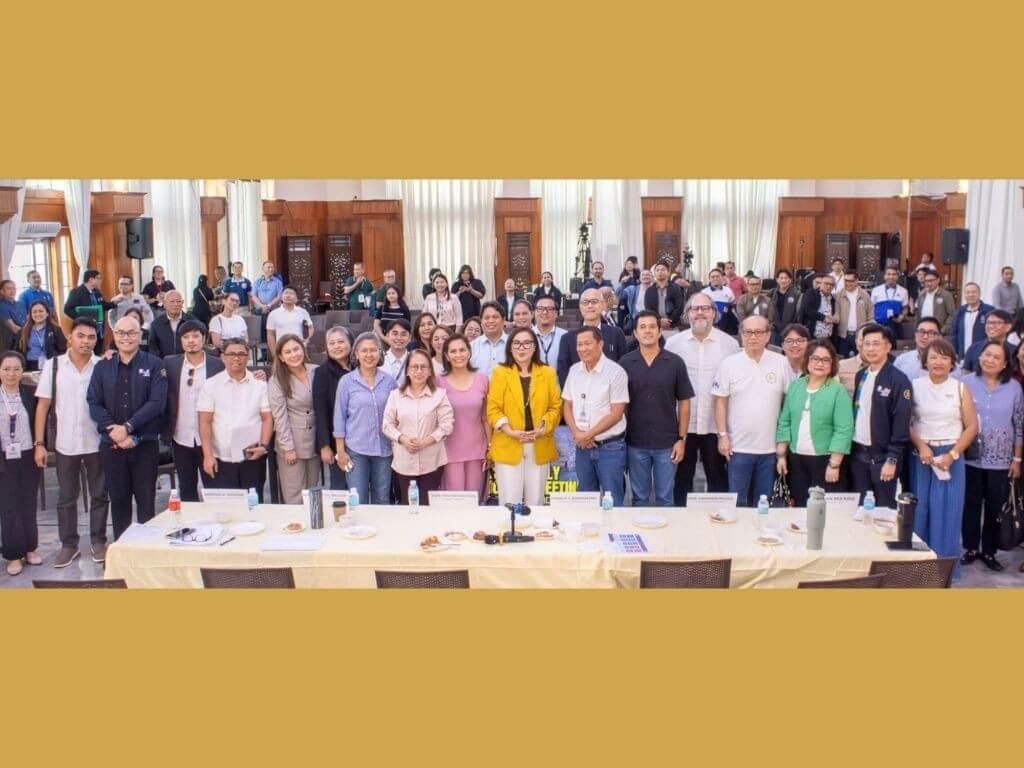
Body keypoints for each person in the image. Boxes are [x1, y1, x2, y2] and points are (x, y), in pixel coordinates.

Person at [34, 318, 109, 567]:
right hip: (65, 443)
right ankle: (68, 545)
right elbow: (43, 406)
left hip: (96, 441)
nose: (86, 341)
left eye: (91, 337)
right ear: (70, 338)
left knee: (99, 495)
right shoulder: (54, 366)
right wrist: (39, 443)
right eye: (80, 336)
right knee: (66, 497)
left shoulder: (102, 366)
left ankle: (98, 541)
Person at [86, 314, 167, 539]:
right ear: (114, 336)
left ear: (140, 335)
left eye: (131, 333)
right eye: (121, 333)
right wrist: (115, 431)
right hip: (112, 446)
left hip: (145, 446)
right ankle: (122, 547)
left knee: (146, 501)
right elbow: (93, 401)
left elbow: (157, 403)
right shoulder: (103, 367)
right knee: (119, 501)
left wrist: (129, 427)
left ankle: (146, 549)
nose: (126, 337)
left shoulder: (154, 364)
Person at [910, 339, 978, 577]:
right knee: (921, 510)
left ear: (952, 363)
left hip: (951, 455)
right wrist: (921, 446)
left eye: (944, 357)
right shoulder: (914, 386)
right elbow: (906, 422)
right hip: (922, 455)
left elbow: (972, 426)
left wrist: (952, 454)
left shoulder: (960, 388)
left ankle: (943, 570)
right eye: (933, 357)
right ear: (925, 361)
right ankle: (918, 566)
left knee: (948, 512)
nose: (938, 362)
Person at [665, 294, 738, 505]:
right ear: (687, 314)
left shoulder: (730, 345)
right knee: (682, 479)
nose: (699, 313)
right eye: (694, 309)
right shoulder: (673, 344)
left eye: (705, 308)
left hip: (716, 426)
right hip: (683, 425)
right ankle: (682, 519)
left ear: (714, 313)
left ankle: (719, 519)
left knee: (717, 478)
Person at [711, 314, 790, 507]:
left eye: (758, 332)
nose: (753, 337)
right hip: (738, 448)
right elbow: (720, 401)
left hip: (770, 449)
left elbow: (788, 403)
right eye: (748, 332)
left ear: (768, 335)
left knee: (763, 504)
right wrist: (722, 435)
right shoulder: (729, 364)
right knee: (737, 503)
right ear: (741, 334)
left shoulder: (781, 362)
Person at [620, 311, 693, 506]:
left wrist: (681, 439)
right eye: (642, 327)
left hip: (667, 443)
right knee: (639, 498)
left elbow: (685, 402)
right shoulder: (625, 363)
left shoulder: (675, 362)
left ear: (660, 331)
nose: (648, 331)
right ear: (635, 333)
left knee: (665, 499)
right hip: (635, 442)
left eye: (652, 326)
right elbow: (620, 405)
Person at [962, 341, 1023, 571]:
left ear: (1005, 364)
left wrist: (1017, 460)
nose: (990, 360)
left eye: (997, 357)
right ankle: (970, 547)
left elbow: (1019, 425)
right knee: (971, 504)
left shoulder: (1014, 388)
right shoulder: (965, 383)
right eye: (987, 355)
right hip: (970, 457)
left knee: (995, 507)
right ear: (979, 357)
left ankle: (989, 551)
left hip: (1001, 461)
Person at [487, 327, 561, 506]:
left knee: (535, 502)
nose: (522, 348)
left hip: (539, 443)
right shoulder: (499, 372)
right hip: (508, 442)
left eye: (527, 343)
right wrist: (510, 431)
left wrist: (542, 428)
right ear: (510, 347)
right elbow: (493, 409)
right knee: (509, 502)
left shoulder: (548, 373)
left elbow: (556, 407)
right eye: (517, 343)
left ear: (535, 347)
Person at [775, 340, 853, 505]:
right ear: (807, 360)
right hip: (796, 459)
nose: (820, 363)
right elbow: (785, 421)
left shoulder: (838, 390)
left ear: (832, 364)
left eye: (825, 360)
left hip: (825, 461)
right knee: (799, 506)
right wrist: (781, 455)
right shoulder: (796, 386)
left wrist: (834, 464)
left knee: (823, 510)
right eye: (815, 358)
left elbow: (843, 430)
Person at [197, 337, 272, 501]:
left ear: (248, 357)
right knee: (224, 510)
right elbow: (205, 422)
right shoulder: (211, 385)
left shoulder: (259, 385)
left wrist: (264, 446)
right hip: (221, 460)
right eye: (231, 354)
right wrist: (208, 456)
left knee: (253, 507)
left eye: (241, 354)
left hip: (252, 458)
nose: (236, 358)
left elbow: (267, 418)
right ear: (223, 357)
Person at [562, 326, 630, 506]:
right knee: (586, 500)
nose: (583, 348)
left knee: (613, 500)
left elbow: (617, 413)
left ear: (600, 344)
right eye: (579, 344)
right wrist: (577, 434)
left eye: (587, 343)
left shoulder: (616, 372)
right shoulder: (574, 370)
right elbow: (567, 405)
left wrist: (587, 435)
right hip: (582, 447)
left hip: (610, 448)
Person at [848, 323, 912, 509]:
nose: (871, 349)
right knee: (861, 510)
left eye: (876, 344)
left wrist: (892, 459)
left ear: (888, 347)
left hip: (883, 458)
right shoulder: (861, 375)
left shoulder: (898, 379)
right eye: (867, 344)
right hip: (859, 456)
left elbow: (901, 421)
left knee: (885, 511)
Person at [162, 320, 224, 503]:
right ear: (180, 340)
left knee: (214, 487)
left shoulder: (217, 365)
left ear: (204, 338)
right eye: (186, 337)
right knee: (187, 488)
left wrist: (258, 374)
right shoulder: (170, 363)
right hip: (181, 437)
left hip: (211, 438)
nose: (191, 341)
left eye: (196, 336)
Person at [382, 348, 454, 504]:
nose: (419, 371)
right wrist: (403, 439)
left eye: (423, 367)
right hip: (404, 460)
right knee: (408, 504)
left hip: (432, 460)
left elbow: (447, 425)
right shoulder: (395, 395)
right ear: (407, 371)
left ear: (430, 371)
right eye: (414, 367)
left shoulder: (440, 395)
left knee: (427, 504)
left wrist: (425, 441)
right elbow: (387, 425)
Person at [334, 332, 398, 504]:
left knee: (382, 498)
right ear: (356, 354)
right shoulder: (346, 382)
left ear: (380, 353)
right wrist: (340, 451)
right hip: (356, 450)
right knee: (358, 499)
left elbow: (397, 415)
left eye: (373, 350)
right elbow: (339, 417)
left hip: (384, 450)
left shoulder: (390, 382)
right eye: (364, 351)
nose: (369, 355)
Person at [0, 351, 42, 575]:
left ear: (22, 371)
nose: (11, 374)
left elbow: (39, 422)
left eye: (16, 369)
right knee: (9, 506)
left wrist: (39, 446)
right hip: (3, 457)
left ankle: (30, 548)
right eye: (6, 369)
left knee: (28, 503)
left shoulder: (30, 393)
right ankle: (14, 554)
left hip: (27, 455)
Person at [268, 334, 319, 504]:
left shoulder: (316, 370)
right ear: (281, 357)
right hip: (292, 443)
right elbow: (280, 417)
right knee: (295, 495)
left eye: (296, 349)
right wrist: (288, 448)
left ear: (303, 350)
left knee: (313, 492)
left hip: (315, 441)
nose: (294, 354)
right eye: (288, 352)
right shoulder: (277, 380)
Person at [438, 333, 490, 499]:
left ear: (469, 352)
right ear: (446, 355)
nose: (458, 355)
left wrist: (490, 447)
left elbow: (485, 418)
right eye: (453, 351)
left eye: (462, 350)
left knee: (474, 500)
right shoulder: (438, 381)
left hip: (477, 450)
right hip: (449, 450)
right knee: (454, 501)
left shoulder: (482, 379)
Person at [556, 288, 627, 386]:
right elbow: (563, 373)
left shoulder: (616, 333)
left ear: (602, 305)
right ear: (580, 307)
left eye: (594, 301)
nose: (590, 306)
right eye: (585, 302)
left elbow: (623, 367)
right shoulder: (567, 339)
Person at [312, 326, 353, 490]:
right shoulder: (322, 373)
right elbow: (320, 411)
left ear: (351, 343)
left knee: (360, 486)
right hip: (336, 440)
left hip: (360, 439)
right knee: (340, 486)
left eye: (341, 342)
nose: (336, 346)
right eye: (332, 343)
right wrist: (324, 446)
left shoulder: (361, 368)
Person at [962, 309, 1016, 374]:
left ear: (1008, 327)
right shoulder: (974, 348)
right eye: (988, 322)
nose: (991, 326)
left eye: (997, 323)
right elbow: (965, 373)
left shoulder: (1015, 351)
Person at [63, 270, 111, 342]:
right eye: (98, 278)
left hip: (99, 330)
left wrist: (114, 304)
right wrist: (83, 318)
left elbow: (103, 306)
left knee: (98, 348)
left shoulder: (97, 292)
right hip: (84, 330)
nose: (100, 281)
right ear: (91, 279)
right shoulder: (76, 292)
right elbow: (67, 309)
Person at [18, 300, 66, 371]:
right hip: (29, 366)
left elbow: (62, 350)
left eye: (41, 311)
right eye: (34, 312)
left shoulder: (55, 329)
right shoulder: (23, 331)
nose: (38, 314)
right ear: (30, 315)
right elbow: (19, 351)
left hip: (50, 365)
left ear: (47, 313)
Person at [835, 270, 872, 358]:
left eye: (850, 281)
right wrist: (832, 319)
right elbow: (836, 314)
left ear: (856, 281)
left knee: (862, 360)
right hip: (843, 335)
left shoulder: (864, 295)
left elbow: (871, 315)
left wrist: (867, 331)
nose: (848, 283)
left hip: (860, 335)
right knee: (843, 361)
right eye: (846, 280)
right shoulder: (839, 295)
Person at [266, 286, 312, 358]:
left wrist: (307, 340)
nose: (288, 295)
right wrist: (274, 354)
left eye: (291, 293)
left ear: (296, 298)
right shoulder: (273, 314)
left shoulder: (303, 312)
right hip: (282, 349)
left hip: (298, 348)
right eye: (286, 293)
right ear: (281, 297)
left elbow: (311, 327)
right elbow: (270, 335)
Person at [251, 260, 284, 360]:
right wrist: (262, 306)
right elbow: (253, 296)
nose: (271, 269)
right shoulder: (257, 282)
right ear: (263, 269)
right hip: (261, 311)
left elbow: (280, 296)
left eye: (272, 267)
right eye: (268, 267)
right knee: (262, 333)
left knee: (274, 333)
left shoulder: (278, 282)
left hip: (274, 311)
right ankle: (264, 355)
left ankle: (274, 355)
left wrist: (269, 305)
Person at [147, 290, 194, 359]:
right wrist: (159, 363)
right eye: (172, 301)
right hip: (163, 364)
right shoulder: (156, 324)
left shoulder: (192, 322)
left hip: (187, 362)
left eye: (178, 301)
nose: (175, 304)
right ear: (164, 303)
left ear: (182, 303)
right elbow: (153, 348)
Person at [951, 282, 992, 360]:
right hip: (963, 356)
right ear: (964, 295)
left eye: (974, 292)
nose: (971, 295)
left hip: (982, 356)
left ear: (979, 294)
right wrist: (954, 352)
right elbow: (954, 333)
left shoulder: (989, 310)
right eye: (968, 292)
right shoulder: (960, 311)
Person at [644, 262, 685, 333]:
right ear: (654, 273)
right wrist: (659, 320)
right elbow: (648, 308)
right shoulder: (649, 290)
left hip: (673, 326)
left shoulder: (676, 288)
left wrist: (669, 320)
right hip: (655, 326)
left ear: (668, 272)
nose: (660, 272)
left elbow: (679, 307)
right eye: (657, 270)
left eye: (663, 270)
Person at [470, 302, 508, 377]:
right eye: (486, 318)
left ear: (503, 320)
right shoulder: (472, 347)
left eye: (495, 317)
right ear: (481, 322)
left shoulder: (513, 344)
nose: (491, 321)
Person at [796, 273, 837, 342]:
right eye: (826, 283)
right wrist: (823, 318)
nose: (828, 286)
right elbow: (806, 309)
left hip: (827, 337)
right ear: (821, 284)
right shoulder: (811, 293)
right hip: (812, 336)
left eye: (831, 284)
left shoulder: (833, 299)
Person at [915, 270, 955, 336]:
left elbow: (952, 315)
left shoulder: (946, 295)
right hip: (923, 332)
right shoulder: (921, 295)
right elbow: (918, 313)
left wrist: (943, 330)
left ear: (938, 280)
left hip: (939, 333)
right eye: (927, 281)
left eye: (931, 280)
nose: (929, 283)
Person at [768, 268, 801, 344]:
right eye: (781, 278)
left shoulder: (797, 294)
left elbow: (798, 313)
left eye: (786, 278)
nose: (783, 280)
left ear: (790, 280)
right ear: (777, 280)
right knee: (775, 349)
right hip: (774, 329)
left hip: (790, 329)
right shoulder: (771, 293)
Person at [533, 295, 566, 367]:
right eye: (540, 308)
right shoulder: (526, 335)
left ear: (556, 313)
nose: (545, 312)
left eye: (549, 309)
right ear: (534, 313)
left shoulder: (565, 336)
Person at [837, 325, 869, 396]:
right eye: (862, 339)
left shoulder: (888, 371)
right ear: (856, 341)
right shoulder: (841, 366)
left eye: (874, 342)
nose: (867, 344)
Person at [0, 279, 28, 347]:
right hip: (12, 344)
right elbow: (14, 328)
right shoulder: (1, 306)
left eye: (14, 288)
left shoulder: (21, 304)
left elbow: (28, 320)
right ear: (2, 291)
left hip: (26, 341)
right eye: (8, 289)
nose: (12, 291)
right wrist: (32, 333)